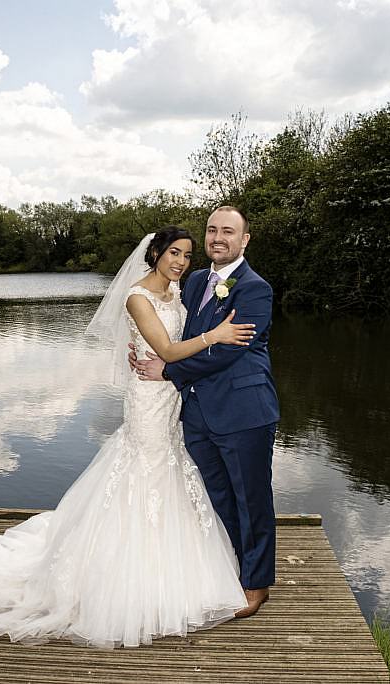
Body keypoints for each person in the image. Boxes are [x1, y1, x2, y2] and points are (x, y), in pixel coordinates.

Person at [0, 226, 257, 647]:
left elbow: (169, 343)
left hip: (172, 394)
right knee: (148, 468)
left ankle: (167, 563)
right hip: (148, 398)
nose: (180, 262)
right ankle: (132, 576)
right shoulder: (137, 296)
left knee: (170, 468)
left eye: (187, 256)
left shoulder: (180, 293)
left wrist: (146, 349)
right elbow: (170, 350)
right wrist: (218, 335)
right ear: (155, 253)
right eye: (174, 253)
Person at [130, 206, 280, 619]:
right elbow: (173, 331)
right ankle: (231, 566)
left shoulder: (255, 289)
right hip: (194, 413)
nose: (218, 237)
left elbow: (230, 350)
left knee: (251, 499)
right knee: (216, 498)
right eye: (212, 230)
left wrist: (169, 370)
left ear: (244, 239)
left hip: (243, 411)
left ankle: (257, 584)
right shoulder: (194, 281)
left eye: (228, 231)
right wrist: (143, 350)